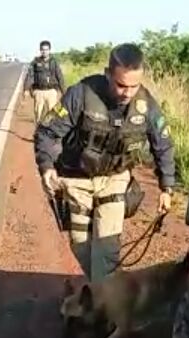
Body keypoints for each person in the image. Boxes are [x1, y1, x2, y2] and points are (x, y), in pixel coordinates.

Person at [35, 43, 176, 282]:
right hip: (77, 179)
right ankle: (103, 292)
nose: (127, 93)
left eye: (134, 86)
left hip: (114, 180)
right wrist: (46, 167)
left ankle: (106, 308)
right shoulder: (81, 94)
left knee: (106, 251)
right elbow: (47, 132)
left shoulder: (145, 104)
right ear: (108, 74)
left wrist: (167, 187)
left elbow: (163, 144)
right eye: (121, 85)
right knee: (81, 246)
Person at [23, 40, 64, 122]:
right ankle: (38, 131)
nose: (44, 51)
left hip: (51, 91)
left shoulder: (54, 62)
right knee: (38, 114)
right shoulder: (35, 62)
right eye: (43, 49)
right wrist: (26, 89)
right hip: (39, 91)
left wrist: (64, 90)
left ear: (49, 50)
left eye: (46, 49)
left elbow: (59, 76)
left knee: (52, 113)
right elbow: (30, 76)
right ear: (40, 50)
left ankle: (50, 132)